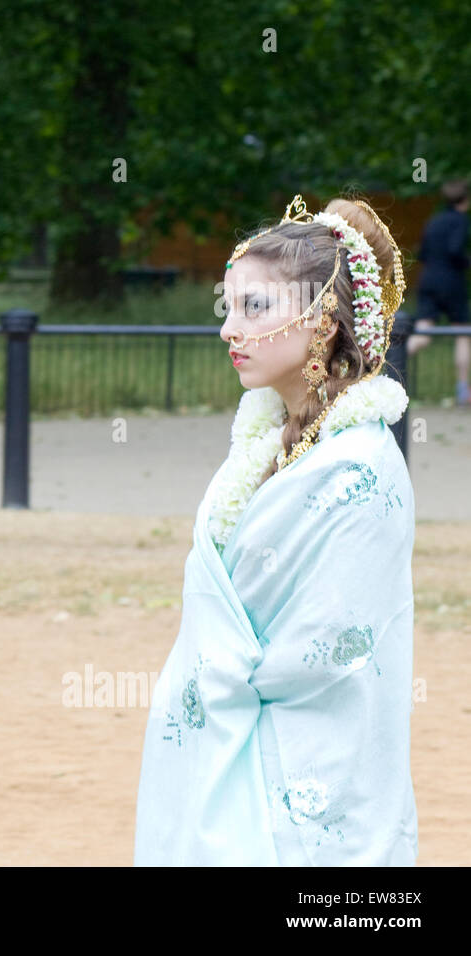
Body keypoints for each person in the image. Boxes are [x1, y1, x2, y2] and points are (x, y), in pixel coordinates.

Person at [135, 195, 417, 865]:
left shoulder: (361, 466)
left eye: (254, 308)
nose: (230, 330)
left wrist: (216, 681)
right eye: (227, 308)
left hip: (308, 773)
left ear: (322, 319)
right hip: (226, 734)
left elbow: (333, 646)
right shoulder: (267, 444)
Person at [408, 179, 470, 405]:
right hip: (452, 283)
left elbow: (422, 254)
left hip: (429, 281)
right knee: (463, 333)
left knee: (423, 335)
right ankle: (463, 391)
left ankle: (392, 365)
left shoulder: (433, 221)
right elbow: (455, 250)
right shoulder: (460, 220)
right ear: (465, 200)